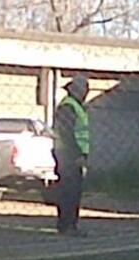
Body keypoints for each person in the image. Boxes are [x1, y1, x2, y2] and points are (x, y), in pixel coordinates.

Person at [53, 75, 90, 236]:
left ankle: (68, 225)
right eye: (84, 89)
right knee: (70, 191)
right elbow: (67, 133)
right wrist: (77, 155)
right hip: (68, 154)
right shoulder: (69, 106)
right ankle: (67, 225)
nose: (85, 93)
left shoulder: (74, 106)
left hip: (68, 153)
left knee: (72, 191)